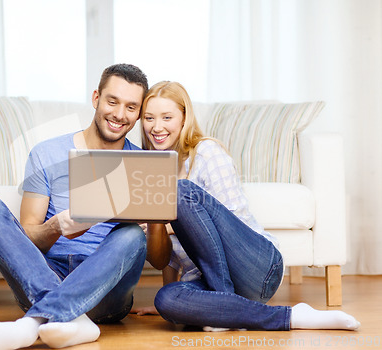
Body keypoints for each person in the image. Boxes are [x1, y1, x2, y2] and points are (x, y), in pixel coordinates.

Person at [138, 80, 360, 331]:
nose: (157, 127)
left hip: (256, 267)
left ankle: (223, 303)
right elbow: (171, 259)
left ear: (184, 118)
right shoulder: (153, 174)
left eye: (167, 117)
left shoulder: (206, 152)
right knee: (167, 300)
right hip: (208, 281)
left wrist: (171, 223)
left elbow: (231, 221)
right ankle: (287, 316)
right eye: (149, 118)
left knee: (180, 192)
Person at [0, 63, 149, 350]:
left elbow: (155, 252)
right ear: (96, 98)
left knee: (132, 236)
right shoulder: (47, 153)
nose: (119, 114)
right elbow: (29, 238)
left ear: (139, 113)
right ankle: (73, 321)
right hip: (46, 273)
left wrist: (150, 224)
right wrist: (56, 226)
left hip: (107, 290)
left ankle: (31, 325)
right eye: (112, 101)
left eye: (131, 107)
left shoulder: (145, 166)